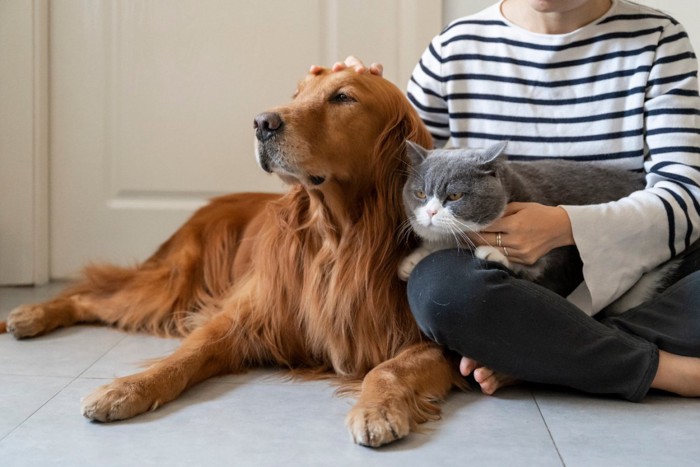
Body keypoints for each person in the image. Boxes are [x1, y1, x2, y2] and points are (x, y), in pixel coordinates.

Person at [314, 0, 700, 401]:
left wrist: (565, 226)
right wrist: (357, 101)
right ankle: (663, 370)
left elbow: (686, 195)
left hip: (642, 270)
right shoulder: (453, 49)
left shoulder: (658, 40)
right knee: (439, 289)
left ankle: (538, 353)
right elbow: (403, 166)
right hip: (508, 284)